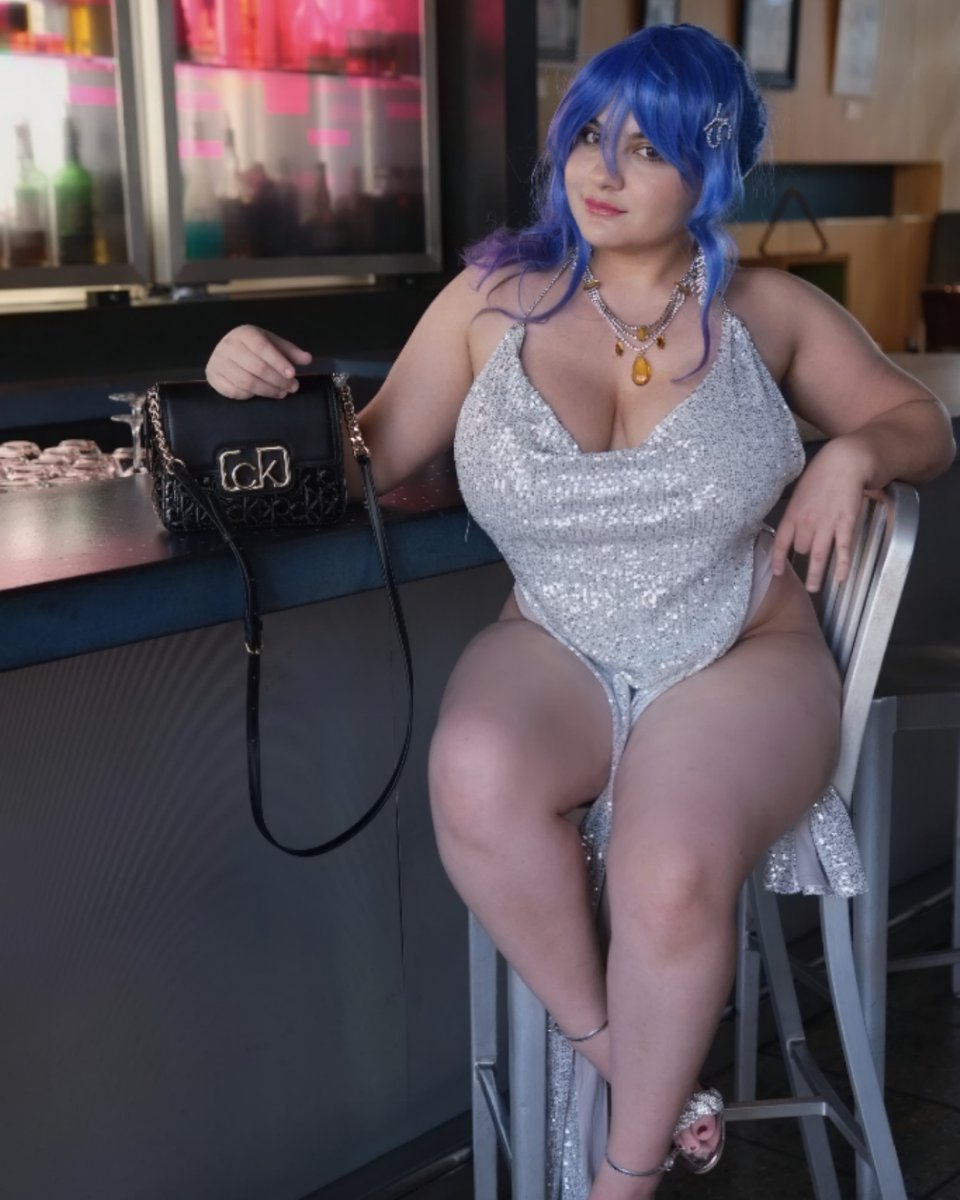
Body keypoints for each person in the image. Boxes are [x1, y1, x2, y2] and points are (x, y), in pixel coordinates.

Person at [204, 24, 954, 1198]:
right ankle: (626, 1055)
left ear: (713, 166)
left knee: (669, 865)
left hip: (741, 647)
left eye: (649, 147)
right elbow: (361, 458)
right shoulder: (487, 300)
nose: (603, 169)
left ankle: (624, 1179)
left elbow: (926, 425)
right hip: (555, 636)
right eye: (591, 135)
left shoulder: (769, 309)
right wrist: (250, 389)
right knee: (474, 770)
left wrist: (855, 453)